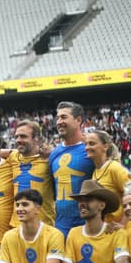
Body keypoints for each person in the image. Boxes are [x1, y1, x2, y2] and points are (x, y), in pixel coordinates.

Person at [51, 180, 131, 263]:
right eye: (80, 200)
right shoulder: (73, 233)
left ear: (102, 206)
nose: (82, 204)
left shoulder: (117, 233)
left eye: (88, 200)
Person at [49, 101, 94, 237]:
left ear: (78, 120)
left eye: (64, 117)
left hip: (87, 226)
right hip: (60, 228)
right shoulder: (54, 154)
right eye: (57, 118)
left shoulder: (90, 148)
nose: (59, 122)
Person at [6, 120, 54, 226]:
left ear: (36, 138)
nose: (18, 140)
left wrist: (53, 151)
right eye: (16, 136)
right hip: (16, 226)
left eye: (23, 136)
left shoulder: (49, 158)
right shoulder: (13, 157)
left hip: (43, 225)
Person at [84, 130, 131, 225]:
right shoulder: (95, 172)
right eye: (86, 144)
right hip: (107, 231)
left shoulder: (114, 168)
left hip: (121, 232)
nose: (87, 147)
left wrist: (123, 224)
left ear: (105, 146)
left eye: (91, 143)